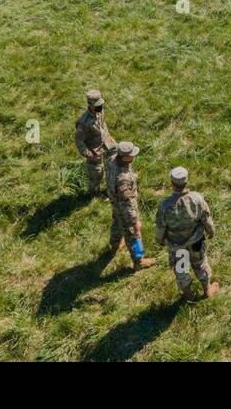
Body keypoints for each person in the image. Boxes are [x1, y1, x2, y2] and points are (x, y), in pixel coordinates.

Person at [155, 166, 218, 301]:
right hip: (196, 241)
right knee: (200, 264)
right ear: (186, 181)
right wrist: (211, 231)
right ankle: (207, 290)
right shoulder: (197, 199)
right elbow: (206, 218)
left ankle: (188, 295)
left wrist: (159, 240)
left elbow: (161, 226)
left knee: (181, 268)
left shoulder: (164, 205)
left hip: (176, 244)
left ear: (172, 183)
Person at [106, 141, 155, 270]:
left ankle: (115, 245)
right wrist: (135, 221)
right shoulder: (124, 180)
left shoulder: (112, 159)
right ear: (125, 157)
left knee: (116, 222)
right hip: (124, 208)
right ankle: (138, 261)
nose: (134, 156)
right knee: (133, 234)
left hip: (114, 201)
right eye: (132, 155)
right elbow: (127, 203)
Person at [74, 90, 116, 195]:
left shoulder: (100, 111)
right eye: (97, 105)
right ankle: (94, 194)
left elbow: (102, 124)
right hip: (94, 151)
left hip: (107, 144)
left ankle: (113, 186)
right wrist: (90, 155)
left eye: (101, 104)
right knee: (96, 174)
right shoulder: (84, 123)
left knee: (116, 161)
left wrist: (109, 139)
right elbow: (79, 142)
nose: (100, 106)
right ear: (90, 105)